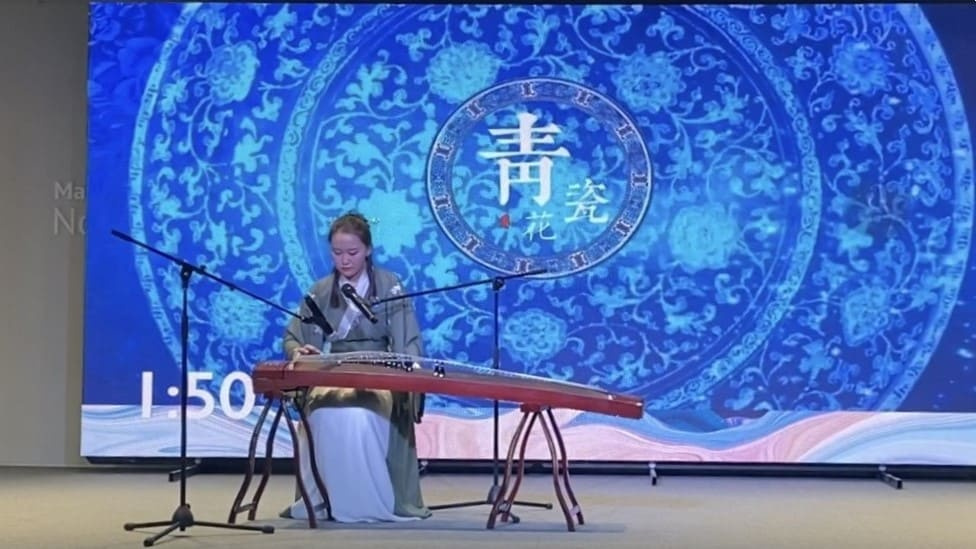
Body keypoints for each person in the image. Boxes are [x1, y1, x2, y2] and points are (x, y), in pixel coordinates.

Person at [280, 211, 430, 523]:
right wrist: (301, 351)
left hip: (378, 370)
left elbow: (407, 340)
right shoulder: (321, 291)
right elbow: (295, 337)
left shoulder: (389, 285)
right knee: (322, 413)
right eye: (337, 253)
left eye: (352, 252)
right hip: (334, 369)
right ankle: (325, 499)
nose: (345, 260)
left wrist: (407, 375)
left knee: (360, 417)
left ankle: (370, 501)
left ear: (368, 250)